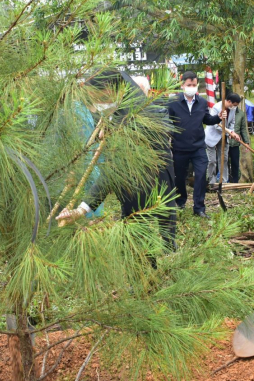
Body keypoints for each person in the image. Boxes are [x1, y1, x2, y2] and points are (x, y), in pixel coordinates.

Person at [57, 71, 177, 249]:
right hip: (133, 200)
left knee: (142, 251)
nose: (94, 104)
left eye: (95, 97)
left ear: (109, 91)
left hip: (150, 202)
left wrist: (81, 210)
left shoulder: (137, 121)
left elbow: (111, 173)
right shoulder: (122, 113)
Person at [167, 71, 225, 219]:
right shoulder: (173, 103)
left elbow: (207, 120)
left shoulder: (202, 102)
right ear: (182, 85)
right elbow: (167, 122)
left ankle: (199, 207)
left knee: (200, 176)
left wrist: (218, 117)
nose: (191, 87)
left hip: (198, 147)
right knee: (180, 177)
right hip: (179, 147)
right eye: (189, 85)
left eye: (194, 85)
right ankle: (180, 202)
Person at [205, 93, 242, 187]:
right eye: (234, 105)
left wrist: (231, 131)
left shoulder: (232, 109)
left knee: (224, 159)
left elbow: (232, 121)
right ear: (229, 102)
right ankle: (212, 182)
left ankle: (224, 181)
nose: (234, 107)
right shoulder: (216, 108)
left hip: (224, 137)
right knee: (212, 160)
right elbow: (216, 125)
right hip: (212, 137)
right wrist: (230, 132)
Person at [227, 95, 251, 183]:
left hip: (235, 143)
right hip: (225, 143)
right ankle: (225, 181)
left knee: (235, 163)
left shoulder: (240, 114)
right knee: (224, 163)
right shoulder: (225, 111)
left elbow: (243, 129)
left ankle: (235, 182)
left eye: (236, 105)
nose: (234, 106)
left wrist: (246, 142)